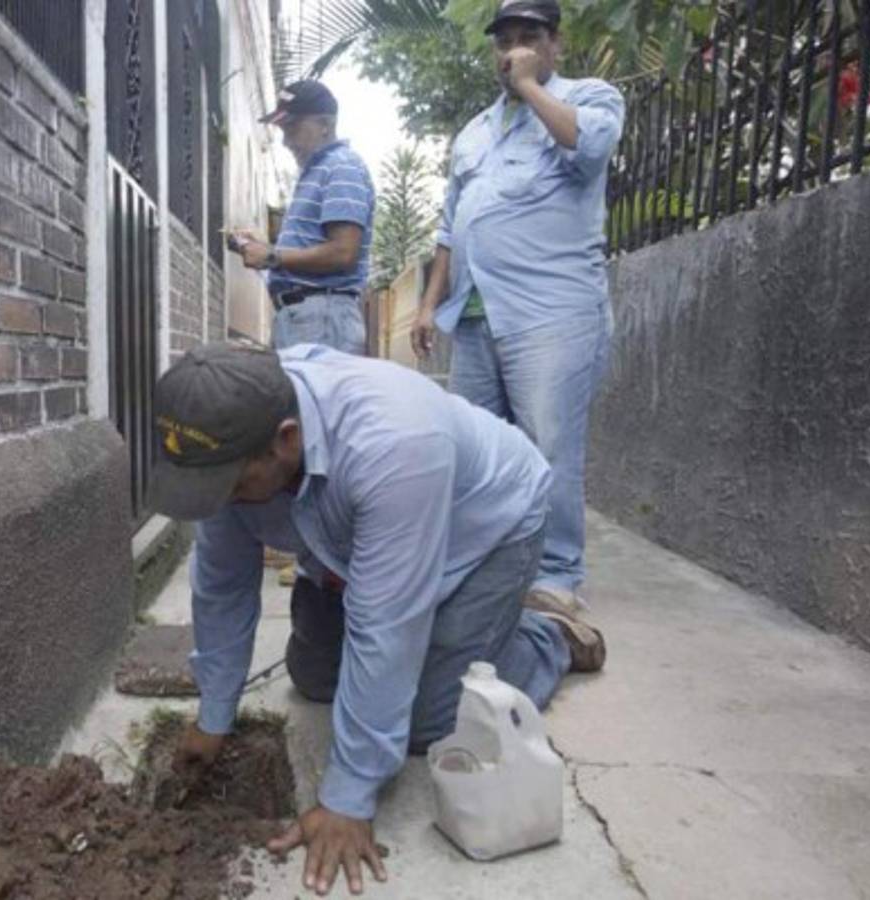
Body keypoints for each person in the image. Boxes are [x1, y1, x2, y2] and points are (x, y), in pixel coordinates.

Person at [148, 342, 604, 897]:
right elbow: (221, 589)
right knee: (316, 679)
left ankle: (545, 634)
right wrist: (213, 715)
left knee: (425, 723)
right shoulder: (231, 440)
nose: (223, 501)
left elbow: (387, 627)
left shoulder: (393, 443)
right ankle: (465, 629)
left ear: (286, 439)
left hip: (486, 530)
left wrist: (348, 796)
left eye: (234, 486)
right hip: (356, 546)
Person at [411, 0, 625, 614]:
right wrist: (428, 305)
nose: (512, 50)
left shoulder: (591, 97)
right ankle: (488, 565)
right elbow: (451, 227)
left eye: (528, 37)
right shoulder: (476, 130)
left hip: (552, 313)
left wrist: (530, 86)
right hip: (477, 316)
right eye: (503, 40)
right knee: (478, 448)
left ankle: (557, 574)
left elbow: (587, 149)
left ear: (555, 44)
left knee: (548, 443)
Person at [228, 80, 375, 356]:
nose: (286, 141)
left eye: (292, 128)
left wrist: (272, 256)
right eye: (283, 130)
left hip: (322, 320)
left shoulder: (341, 167)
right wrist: (262, 247)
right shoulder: (319, 171)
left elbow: (343, 252)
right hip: (307, 319)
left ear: (325, 125)